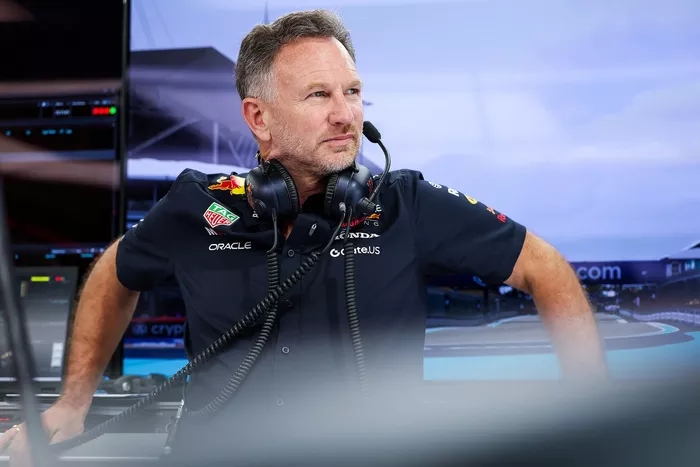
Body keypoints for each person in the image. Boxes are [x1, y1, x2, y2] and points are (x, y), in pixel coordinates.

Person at [0, 9, 608, 465]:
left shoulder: (406, 203)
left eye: (352, 92)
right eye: (319, 95)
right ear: (258, 118)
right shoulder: (199, 204)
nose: (346, 114)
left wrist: (591, 409)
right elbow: (114, 272)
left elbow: (544, 267)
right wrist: (72, 402)